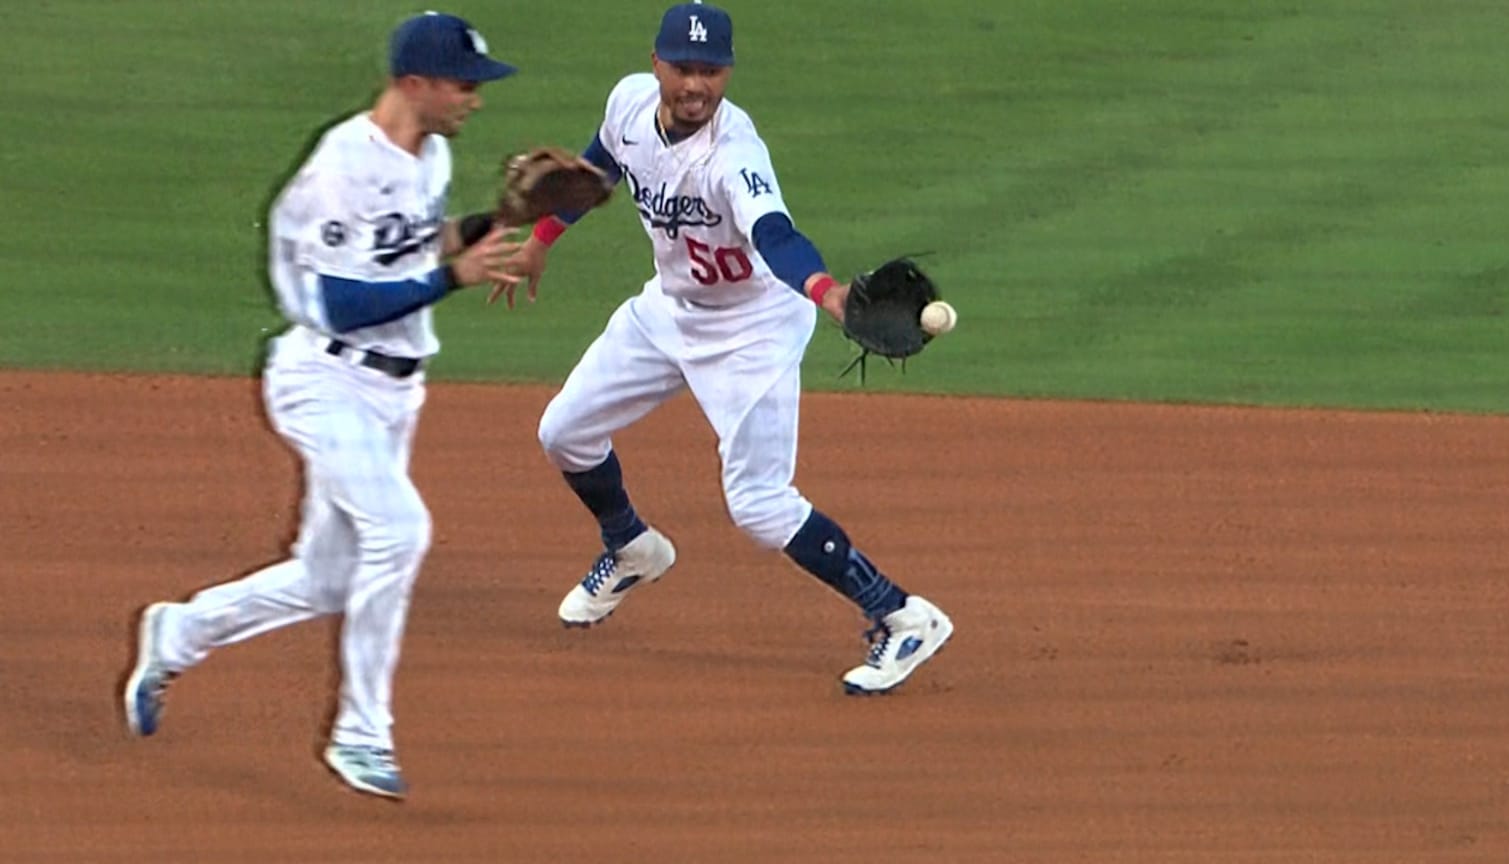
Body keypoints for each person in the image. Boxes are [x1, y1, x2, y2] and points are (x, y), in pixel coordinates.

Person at [494, 1, 954, 695]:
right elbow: (597, 171)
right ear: (657, 65)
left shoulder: (735, 157)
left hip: (752, 333)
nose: (695, 86)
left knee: (759, 505)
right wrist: (540, 241)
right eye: (682, 68)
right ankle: (631, 544)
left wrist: (827, 293)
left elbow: (775, 235)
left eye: (710, 72)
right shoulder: (627, 103)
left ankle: (902, 615)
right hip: (670, 311)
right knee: (564, 432)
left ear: (728, 73)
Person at [122, 11, 521, 799]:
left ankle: (180, 630)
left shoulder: (430, 152)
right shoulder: (343, 165)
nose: (475, 99)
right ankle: (360, 734)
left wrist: (490, 226)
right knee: (400, 531)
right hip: (323, 378)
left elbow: (410, 241)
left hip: (393, 391)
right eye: (463, 85)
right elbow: (340, 303)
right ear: (415, 84)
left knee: (327, 577)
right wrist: (454, 281)